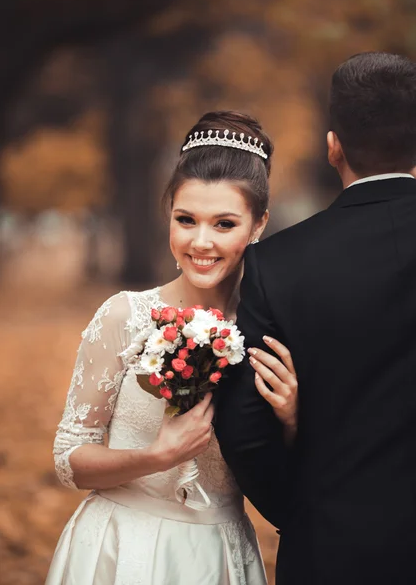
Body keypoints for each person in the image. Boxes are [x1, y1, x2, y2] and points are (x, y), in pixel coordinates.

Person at [46, 111, 298, 585]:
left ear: (258, 224)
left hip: (219, 552)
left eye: (224, 224)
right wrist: (155, 457)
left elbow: (289, 478)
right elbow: (68, 458)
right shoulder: (125, 316)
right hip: (121, 550)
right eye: (186, 220)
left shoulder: (272, 331)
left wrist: (292, 420)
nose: (200, 241)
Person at [215, 51, 416, 585]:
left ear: (333, 147)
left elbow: (245, 429)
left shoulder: (278, 265)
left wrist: (302, 514)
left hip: (332, 550)